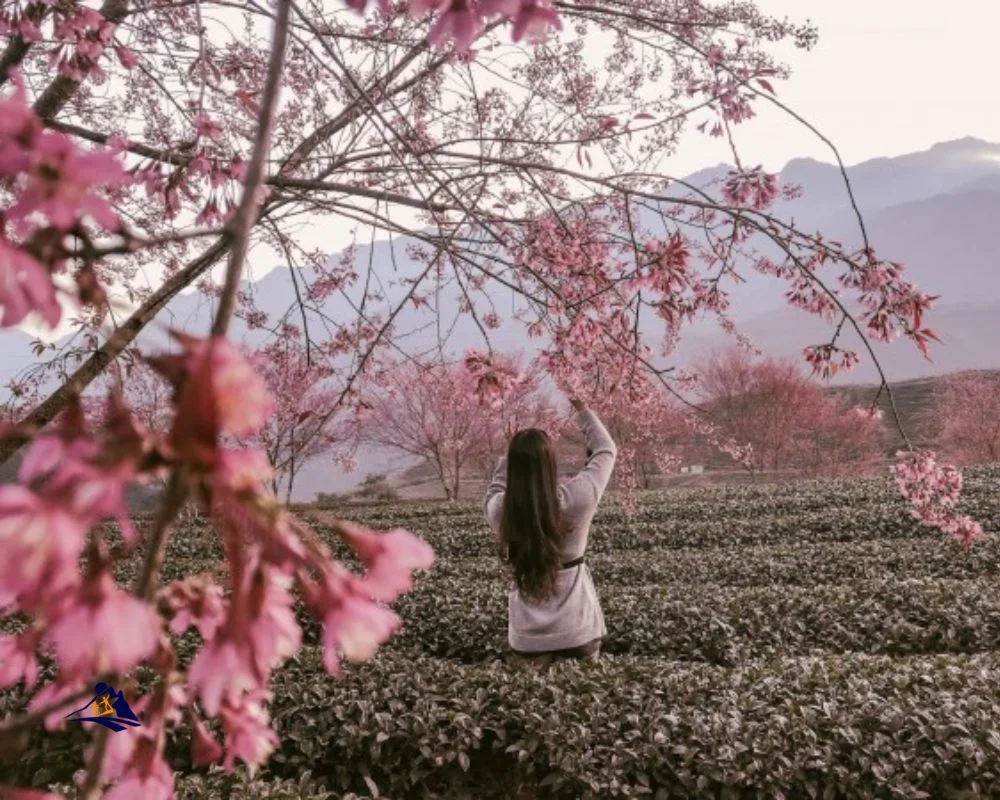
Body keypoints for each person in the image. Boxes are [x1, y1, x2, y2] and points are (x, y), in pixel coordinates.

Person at [485, 396, 617, 669]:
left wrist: (509, 455)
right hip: (578, 628)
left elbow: (496, 489)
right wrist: (583, 410)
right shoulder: (578, 498)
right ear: (551, 464)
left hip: (527, 638)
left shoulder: (501, 511)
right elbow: (606, 450)